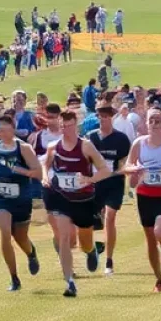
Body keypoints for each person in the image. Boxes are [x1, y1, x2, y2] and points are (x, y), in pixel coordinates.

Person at [42, 109, 111, 297]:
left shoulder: (86, 146)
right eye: (62, 126)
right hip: (62, 198)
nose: (65, 130)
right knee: (65, 238)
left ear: (76, 126)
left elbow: (105, 170)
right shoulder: (53, 147)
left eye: (69, 126)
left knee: (84, 241)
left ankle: (91, 251)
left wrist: (90, 179)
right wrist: (45, 177)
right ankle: (69, 283)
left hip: (84, 199)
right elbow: (45, 165)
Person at [0, 111, 42, 290]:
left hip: (22, 198)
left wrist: (19, 170)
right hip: (1, 197)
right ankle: (14, 278)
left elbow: (38, 173)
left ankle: (31, 253)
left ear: (13, 130)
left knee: (20, 237)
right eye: (0, 130)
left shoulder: (23, 148)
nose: (2, 133)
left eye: (6, 129)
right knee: (5, 232)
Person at [127, 109, 161, 293]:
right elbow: (128, 165)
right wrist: (135, 171)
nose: (155, 123)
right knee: (150, 238)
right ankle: (158, 279)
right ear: (146, 123)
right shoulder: (139, 143)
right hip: (145, 194)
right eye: (151, 120)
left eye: (158, 120)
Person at [88, 103, 131, 275]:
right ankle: (93, 249)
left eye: (106, 116)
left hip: (114, 182)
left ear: (111, 118)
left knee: (110, 216)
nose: (103, 120)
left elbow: (124, 163)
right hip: (95, 183)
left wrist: (113, 172)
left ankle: (109, 260)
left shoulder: (121, 139)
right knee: (86, 221)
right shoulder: (91, 138)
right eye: (100, 116)